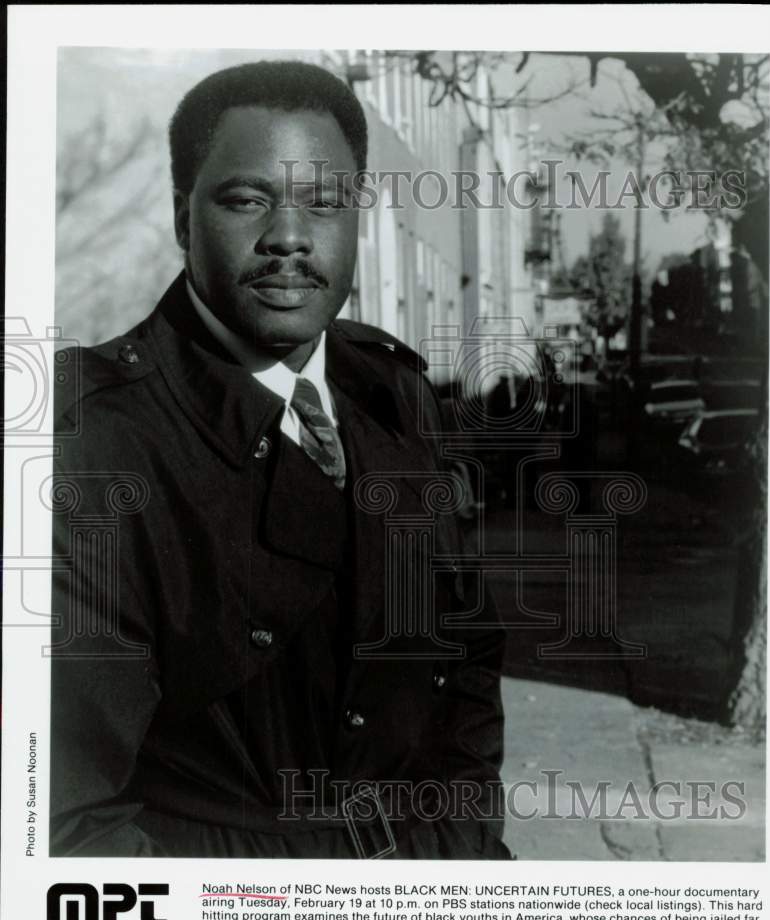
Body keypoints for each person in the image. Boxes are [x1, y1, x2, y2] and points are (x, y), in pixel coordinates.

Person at [50, 60, 510, 860]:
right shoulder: (94, 439)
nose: (289, 237)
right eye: (247, 199)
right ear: (181, 216)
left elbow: (463, 650)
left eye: (324, 203)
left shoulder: (393, 393)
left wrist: (465, 845)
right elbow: (73, 814)